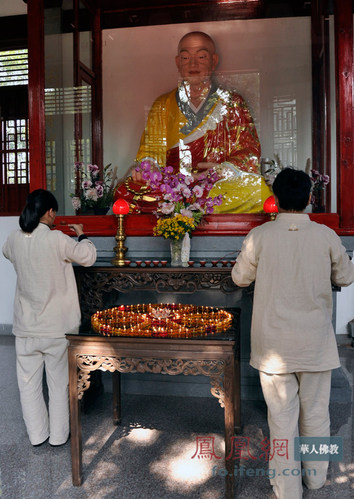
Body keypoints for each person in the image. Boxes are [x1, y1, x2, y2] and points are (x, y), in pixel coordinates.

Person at [231, 168, 354, 499]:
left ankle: (288, 490)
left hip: (274, 346)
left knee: (281, 419)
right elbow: (345, 277)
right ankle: (315, 478)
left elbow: (240, 278)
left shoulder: (260, 237)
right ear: (310, 198)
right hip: (315, 343)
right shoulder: (326, 236)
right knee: (316, 414)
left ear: (276, 199)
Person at [130, 31, 271, 213]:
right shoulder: (162, 105)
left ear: (214, 60)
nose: (193, 64)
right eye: (186, 57)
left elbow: (249, 150)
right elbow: (150, 149)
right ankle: (190, 207)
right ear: (177, 62)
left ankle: (182, 209)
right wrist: (147, 170)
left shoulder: (233, 103)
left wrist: (221, 170)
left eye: (202, 57)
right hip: (172, 186)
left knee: (258, 192)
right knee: (128, 191)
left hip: (218, 184)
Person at [2, 189, 97, 447]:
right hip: (56, 329)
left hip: (25, 329)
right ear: (50, 212)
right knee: (58, 385)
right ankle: (57, 437)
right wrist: (81, 235)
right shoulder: (57, 239)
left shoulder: (13, 239)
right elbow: (88, 257)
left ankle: (37, 436)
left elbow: (8, 253)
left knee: (28, 385)